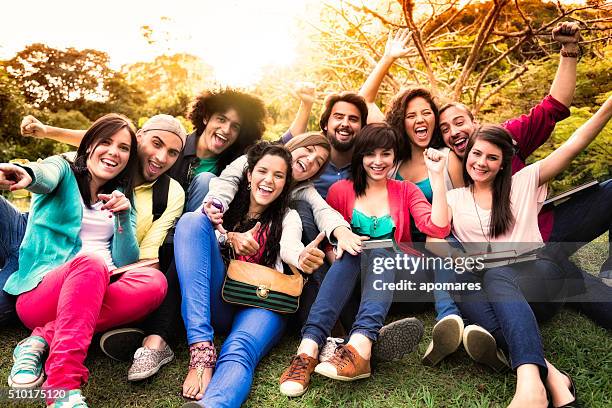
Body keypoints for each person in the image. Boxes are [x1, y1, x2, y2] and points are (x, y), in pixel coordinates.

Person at [447, 97, 611, 408]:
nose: (481, 163)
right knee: (468, 292)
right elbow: (432, 236)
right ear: (466, 155)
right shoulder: (453, 200)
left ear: (503, 163)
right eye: (477, 154)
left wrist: (607, 108)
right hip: (513, 298)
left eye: (492, 158)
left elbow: (575, 144)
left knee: (495, 277)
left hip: (544, 276)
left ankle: (528, 387)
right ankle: (552, 377)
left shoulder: (523, 182)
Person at [1, 114, 168, 407]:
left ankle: (40, 339)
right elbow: (43, 174)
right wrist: (26, 173)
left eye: (124, 147)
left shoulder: (121, 198)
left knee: (155, 282)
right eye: (105, 142)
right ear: (89, 145)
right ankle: (62, 387)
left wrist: (121, 217)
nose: (114, 152)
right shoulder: (63, 169)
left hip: (98, 289)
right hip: (43, 291)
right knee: (90, 264)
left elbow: (126, 258)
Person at [278, 123, 450, 397]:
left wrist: (438, 177)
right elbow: (334, 240)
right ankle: (310, 349)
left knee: (374, 248)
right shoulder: (340, 191)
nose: (378, 161)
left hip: (404, 275)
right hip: (357, 280)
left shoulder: (405, 190)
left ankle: (358, 341)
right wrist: (340, 251)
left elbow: (438, 228)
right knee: (353, 250)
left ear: (395, 157)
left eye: (386, 154)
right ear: (360, 157)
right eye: (371, 154)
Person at [175, 142, 326, 408]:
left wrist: (302, 257)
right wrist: (229, 238)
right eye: (263, 171)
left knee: (239, 349)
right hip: (220, 299)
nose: (269, 180)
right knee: (191, 221)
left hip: (264, 303)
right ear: (249, 175)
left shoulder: (288, 217)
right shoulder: (224, 207)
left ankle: (212, 405)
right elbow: (196, 240)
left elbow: (291, 248)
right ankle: (201, 349)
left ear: (285, 184)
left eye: (278, 176)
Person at [0, 115, 186, 329]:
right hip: (36, 239)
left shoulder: (154, 193)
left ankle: (47, 335)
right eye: (156, 144)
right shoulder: (78, 165)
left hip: (85, 272)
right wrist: (29, 173)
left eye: (172, 153)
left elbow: (134, 258)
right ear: (140, 139)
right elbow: (54, 169)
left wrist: (123, 217)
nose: (161, 157)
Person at [359, 30, 461, 363]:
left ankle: (448, 321)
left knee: (443, 246)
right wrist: (387, 58)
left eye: (426, 112)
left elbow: (456, 216)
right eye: (411, 115)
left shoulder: (450, 159)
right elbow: (364, 103)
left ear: (435, 117)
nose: (419, 119)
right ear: (401, 123)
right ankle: (364, 333)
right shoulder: (393, 161)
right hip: (403, 258)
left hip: (442, 251)